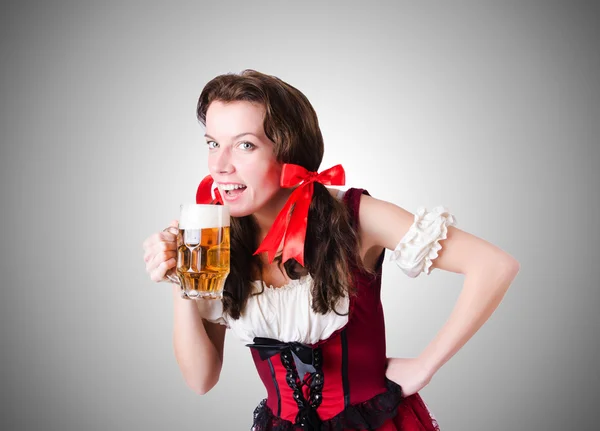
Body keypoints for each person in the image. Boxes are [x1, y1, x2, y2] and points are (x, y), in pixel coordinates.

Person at [142, 69, 520, 430]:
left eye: (244, 145)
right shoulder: (216, 235)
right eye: (212, 144)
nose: (220, 166)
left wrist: (425, 366)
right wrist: (182, 278)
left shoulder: (356, 216)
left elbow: (494, 265)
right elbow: (201, 378)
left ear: (288, 149)